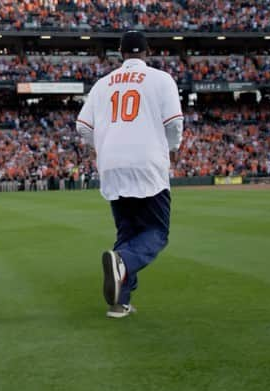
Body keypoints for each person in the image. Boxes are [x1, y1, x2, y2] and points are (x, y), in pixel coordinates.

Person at [76, 31, 183, 318]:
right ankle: (124, 262)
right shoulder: (161, 79)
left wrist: (102, 145)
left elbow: (83, 127)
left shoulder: (102, 84)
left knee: (127, 232)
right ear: (148, 51)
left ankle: (120, 302)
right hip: (147, 162)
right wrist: (171, 149)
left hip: (112, 164)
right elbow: (174, 124)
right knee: (156, 233)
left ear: (120, 52)